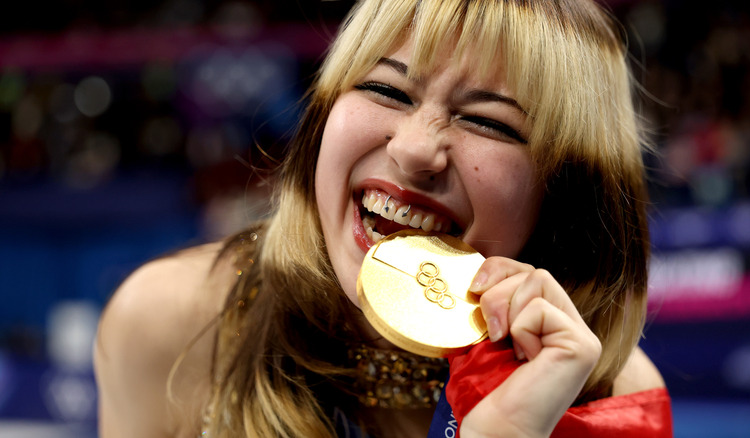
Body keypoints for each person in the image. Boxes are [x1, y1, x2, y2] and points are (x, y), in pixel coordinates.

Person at [94, 0, 671, 437]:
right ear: (323, 117)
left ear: (568, 194)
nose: (416, 149)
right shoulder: (169, 322)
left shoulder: (613, 400)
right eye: (385, 89)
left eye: (490, 123)